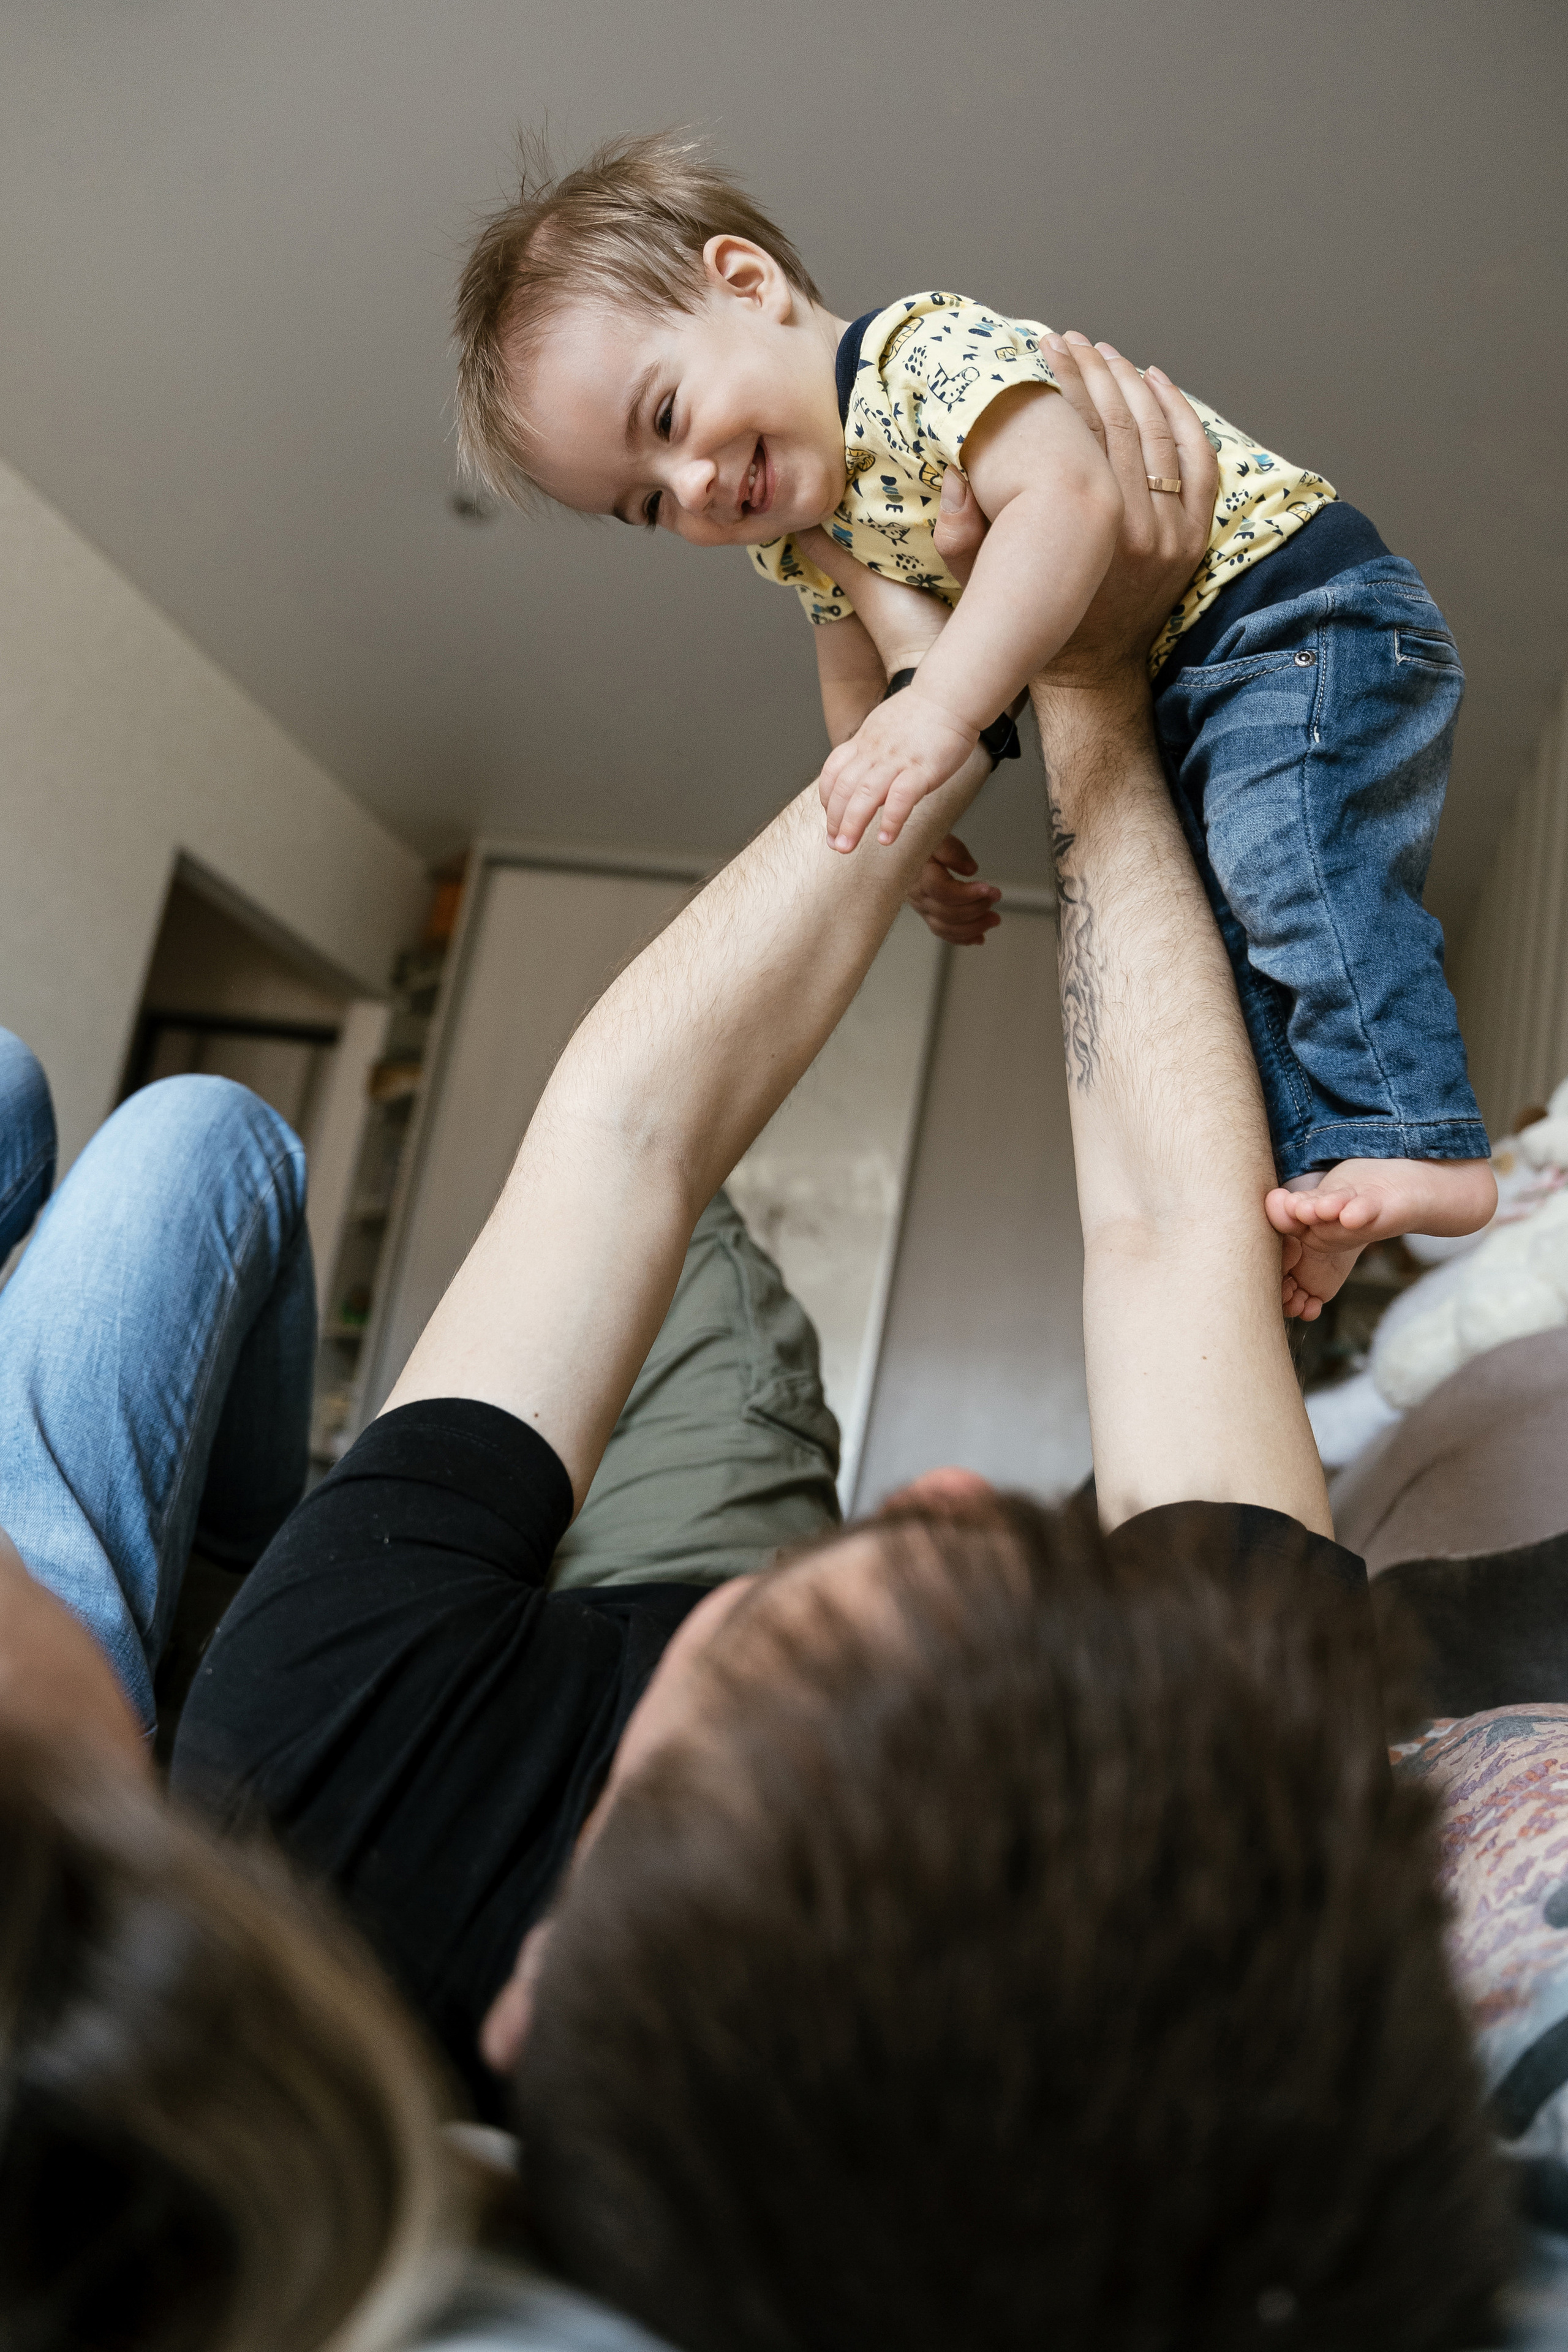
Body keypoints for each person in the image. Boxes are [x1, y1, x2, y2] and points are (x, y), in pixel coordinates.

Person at [169, 350, 1521, 2351]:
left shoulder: (311, 1795)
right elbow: (1167, 1242)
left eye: (793, 1644)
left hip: (543, 1631)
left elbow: (625, 1135)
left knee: (678, 1237)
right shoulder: (1205, 1772)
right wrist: (1074, 689)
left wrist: (920, 738)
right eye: (982, 1586)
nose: (948, 1495)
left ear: (533, 2007)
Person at [450, 131, 1496, 1318]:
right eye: (645, 504)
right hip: (1204, 683)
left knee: (1285, 869)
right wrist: (896, 822)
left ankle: (1428, 1146)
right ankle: (1336, 1169)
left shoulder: (914, 354)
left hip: (1293, 611)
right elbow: (862, 683)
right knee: (1234, 946)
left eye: (667, 415)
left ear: (745, 283)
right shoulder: (807, 540)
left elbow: (1068, 500)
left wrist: (943, 714)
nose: (687, 487)